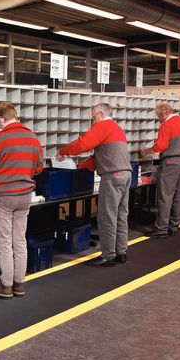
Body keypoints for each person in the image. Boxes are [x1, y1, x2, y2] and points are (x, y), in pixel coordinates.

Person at [0, 102, 44, 299]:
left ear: (1, 119)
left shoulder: (0, 138)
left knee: (4, 242)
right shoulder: (32, 137)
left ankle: (6, 286)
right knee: (20, 240)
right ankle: (19, 284)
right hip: (25, 196)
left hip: (3, 196)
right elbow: (39, 168)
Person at [57, 103, 132, 267]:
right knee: (121, 215)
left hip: (113, 175)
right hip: (125, 174)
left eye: (93, 117)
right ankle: (121, 252)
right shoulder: (117, 128)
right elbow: (100, 156)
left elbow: (83, 144)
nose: (93, 121)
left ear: (100, 113)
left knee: (107, 216)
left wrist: (64, 151)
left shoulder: (103, 126)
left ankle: (108, 255)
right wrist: (81, 168)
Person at [140, 102, 180, 238]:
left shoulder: (167, 124)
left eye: (158, 116)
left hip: (171, 162)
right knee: (179, 195)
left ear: (164, 112)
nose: (159, 119)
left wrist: (147, 151)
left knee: (165, 196)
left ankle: (161, 229)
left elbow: (161, 145)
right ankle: (174, 226)